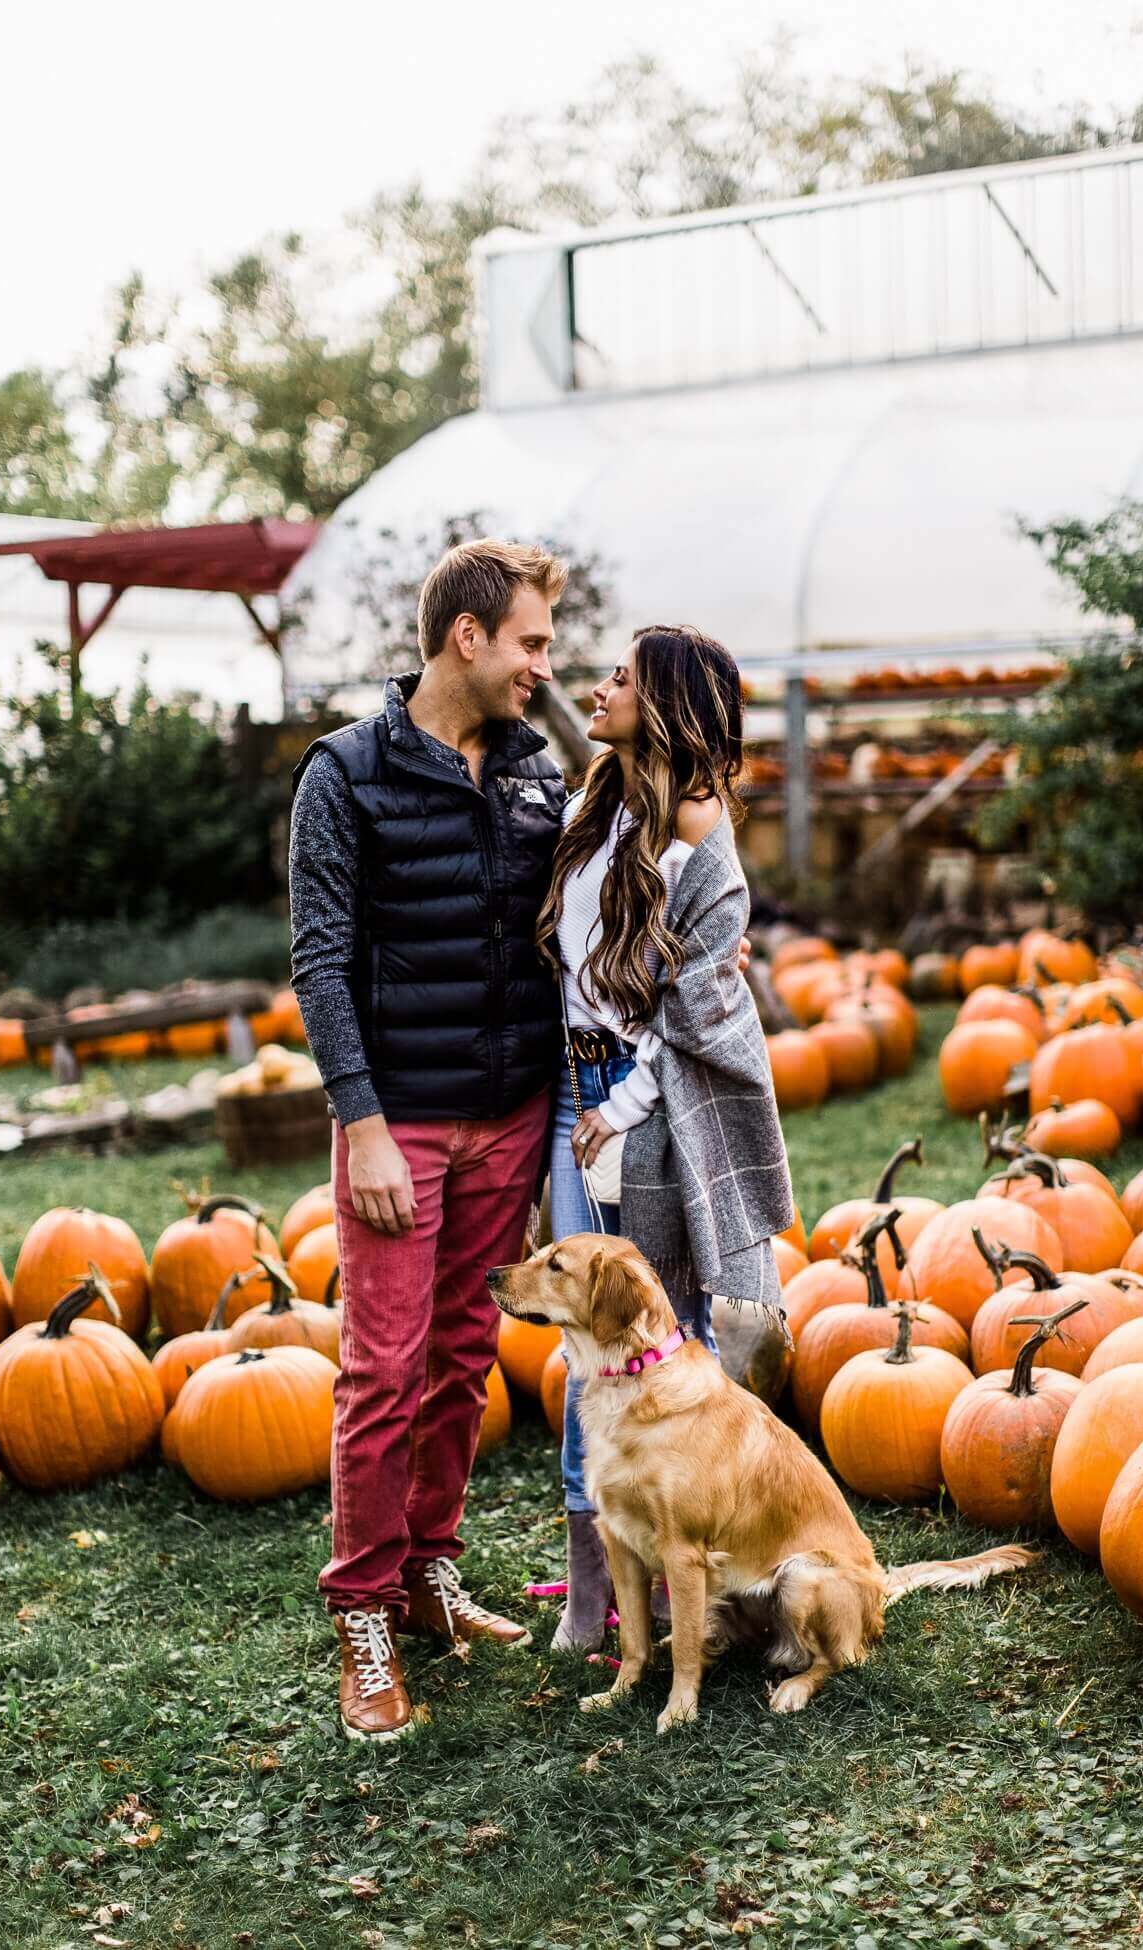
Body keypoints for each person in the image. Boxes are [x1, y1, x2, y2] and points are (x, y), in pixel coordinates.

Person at [289, 539, 570, 1743]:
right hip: (399, 1119)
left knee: (462, 1359)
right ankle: (361, 1606)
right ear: (468, 636)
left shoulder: (534, 770)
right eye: (531, 643)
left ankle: (426, 1574)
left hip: (508, 1112)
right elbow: (318, 955)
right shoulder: (343, 775)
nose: (544, 668)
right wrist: (360, 1125)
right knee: (382, 1370)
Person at [532, 626, 796, 1652]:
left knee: (650, 1339)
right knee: (579, 1333)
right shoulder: (595, 798)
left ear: (666, 703)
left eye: (619, 678)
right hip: (572, 1086)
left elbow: (691, 1010)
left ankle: (678, 1574)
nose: (600, 688)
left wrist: (622, 1108)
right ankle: (593, 1588)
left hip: (639, 1103)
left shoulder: (697, 830)